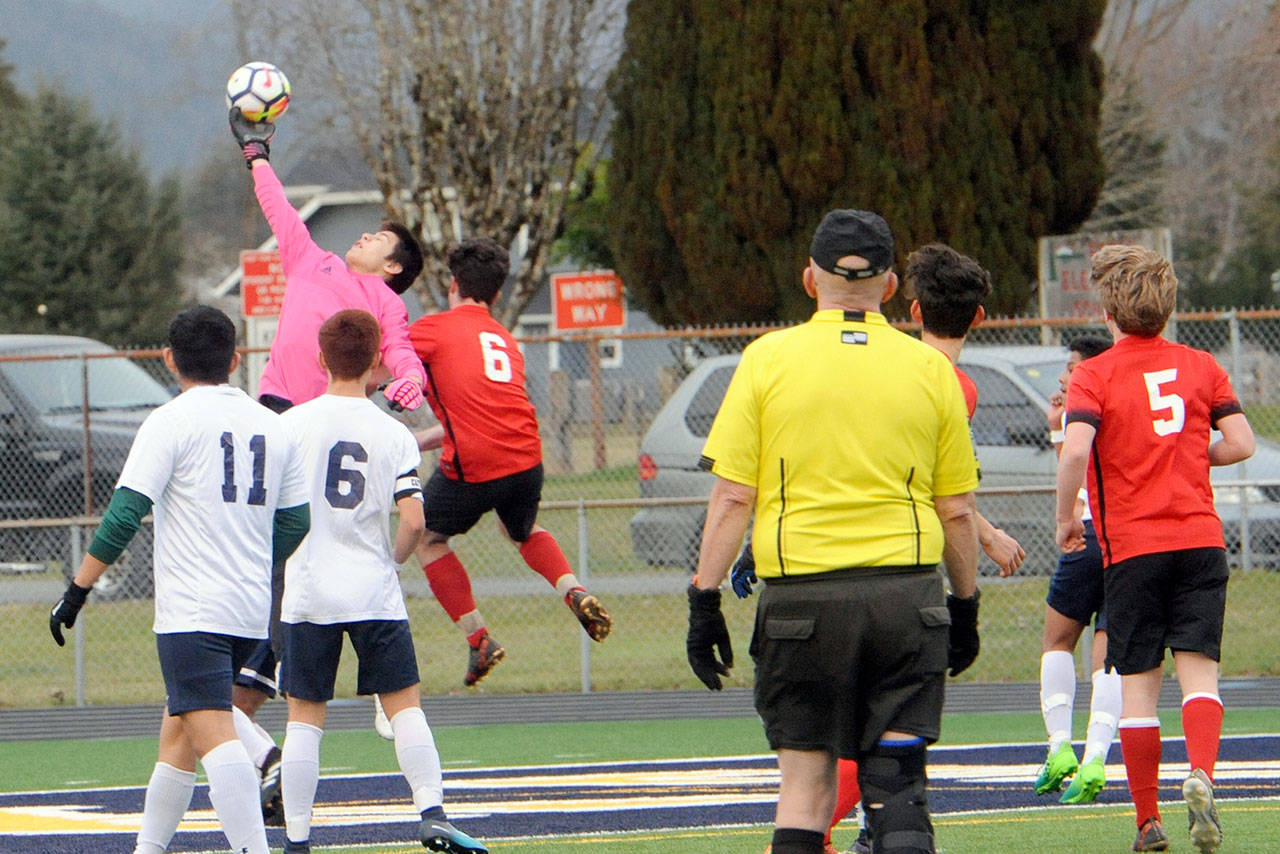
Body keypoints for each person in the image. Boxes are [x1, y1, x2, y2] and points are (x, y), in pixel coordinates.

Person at [687, 209, 981, 854]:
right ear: (891, 284)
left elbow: (734, 494)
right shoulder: (931, 369)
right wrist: (966, 606)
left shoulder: (766, 359)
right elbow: (955, 508)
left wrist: (704, 600)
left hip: (802, 606)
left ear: (809, 279)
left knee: (805, 790)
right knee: (900, 783)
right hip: (907, 600)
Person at [48, 306, 311, 854]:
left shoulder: (169, 420)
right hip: (249, 607)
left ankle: (252, 847)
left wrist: (76, 591)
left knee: (214, 735)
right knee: (179, 734)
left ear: (169, 360)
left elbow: (124, 514)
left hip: (194, 609)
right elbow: (296, 520)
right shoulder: (272, 423)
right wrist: (253, 562)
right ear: (236, 360)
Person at [230, 107, 427, 759]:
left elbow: (402, 352)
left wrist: (410, 383)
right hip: (274, 414)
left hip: (320, 435)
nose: (364, 237)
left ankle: (355, 677)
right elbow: (279, 208)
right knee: (266, 550)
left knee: (307, 552)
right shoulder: (309, 258)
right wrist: (258, 155)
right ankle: (260, 668)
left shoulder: (385, 303)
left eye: (377, 237)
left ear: (393, 268)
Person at [1055, 245, 1254, 854]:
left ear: (1110, 312)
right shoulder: (1200, 365)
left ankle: (1147, 823)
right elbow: (1241, 442)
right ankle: (1203, 775)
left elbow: (1074, 449)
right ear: (1168, 309)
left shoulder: (1094, 373)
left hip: (1134, 549)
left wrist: (1066, 517)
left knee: (1140, 687)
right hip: (1199, 541)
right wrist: (1194, 455)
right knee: (1201, 677)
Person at [275, 310, 485, 854]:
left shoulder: (289, 426)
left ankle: (297, 840)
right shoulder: (393, 434)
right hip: (372, 589)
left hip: (308, 591)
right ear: (375, 364)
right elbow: (414, 519)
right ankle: (432, 813)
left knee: (304, 721)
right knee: (404, 708)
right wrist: (393, 561)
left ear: (320, 359)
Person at [404, 236, 612, 689]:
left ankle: (478, 639)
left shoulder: (433, 329)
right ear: (498, 295)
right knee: (520, 530)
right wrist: (425, 439)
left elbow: (385, 361)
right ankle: (573, 589)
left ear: (452, 284)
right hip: (525, 458)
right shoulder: (504, 339)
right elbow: (483, 415)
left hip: (475, 464)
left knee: (427, 539)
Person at [1035, 334, 1121, 805]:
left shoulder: (1084, 406)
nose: (1065, 377)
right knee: (1108, 653)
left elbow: (1073, 463)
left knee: (1057, 641)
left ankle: (1060, 746)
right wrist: (1056, 425)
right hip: (1125, 541)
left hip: (1085, 534)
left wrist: (1060, 426)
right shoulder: (1123, 400)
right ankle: (1096, 760)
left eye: (1071, 367)